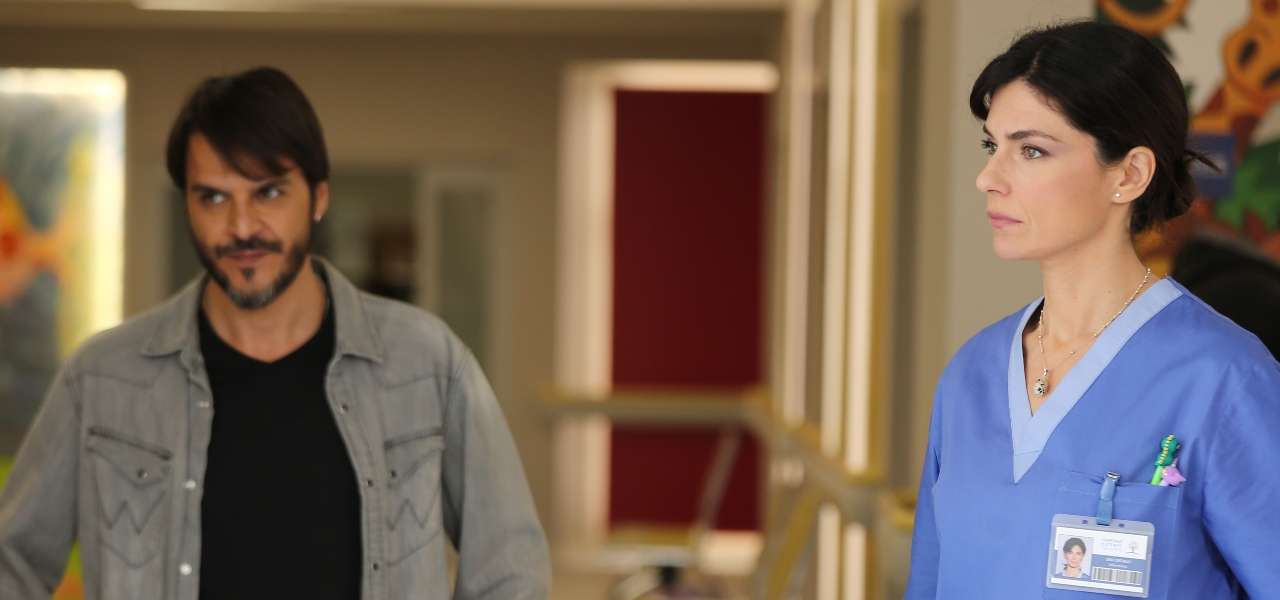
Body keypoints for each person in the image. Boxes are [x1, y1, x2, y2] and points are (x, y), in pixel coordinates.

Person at [0, 67, 549, 600]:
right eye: (213, 197)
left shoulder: (427, 363)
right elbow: (13, 563)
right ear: (187, 204)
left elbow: (509, 570)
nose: (241, 227)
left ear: (319, 197)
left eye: (268, 193)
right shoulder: (103, 379)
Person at [905, 22, 1280, 599]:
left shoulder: (1223, 379)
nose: (988, 178)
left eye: (1031, 150)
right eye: (991, 146)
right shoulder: (971, 377)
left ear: (1129, 174)